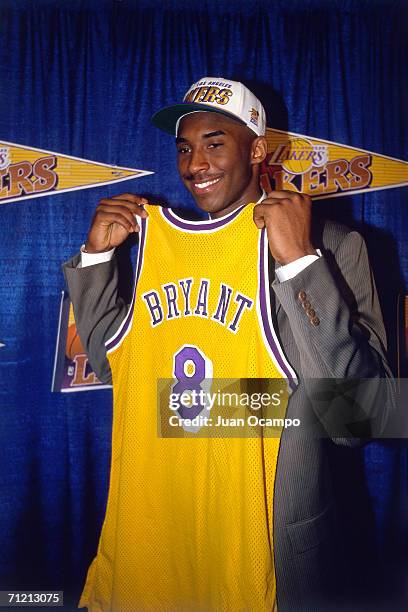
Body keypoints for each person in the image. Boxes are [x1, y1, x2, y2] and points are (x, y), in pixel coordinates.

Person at [63, 77, 394, 611]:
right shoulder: (159, 248)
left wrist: (300, 265)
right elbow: (112, 366)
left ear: (258, 149)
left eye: (215, 144)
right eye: (185, 148)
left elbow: (364, 419)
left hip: (266, 553)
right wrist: (99, 260)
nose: (196, 165)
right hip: (157, 543)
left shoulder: (335, 246)